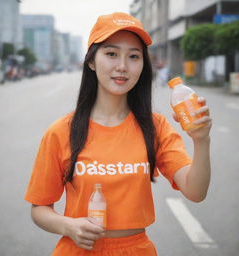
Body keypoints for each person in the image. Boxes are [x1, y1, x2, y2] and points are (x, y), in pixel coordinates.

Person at [24, 12, 212, 256]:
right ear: (91, 61)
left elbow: (195, 191)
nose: (122, 67)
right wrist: (68, 226)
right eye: (111, 54)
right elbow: (39, 208)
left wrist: (202, 140)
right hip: (78, 250)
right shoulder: (61, 132)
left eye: (133, 56)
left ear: (143, 65)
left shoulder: (155, 127)